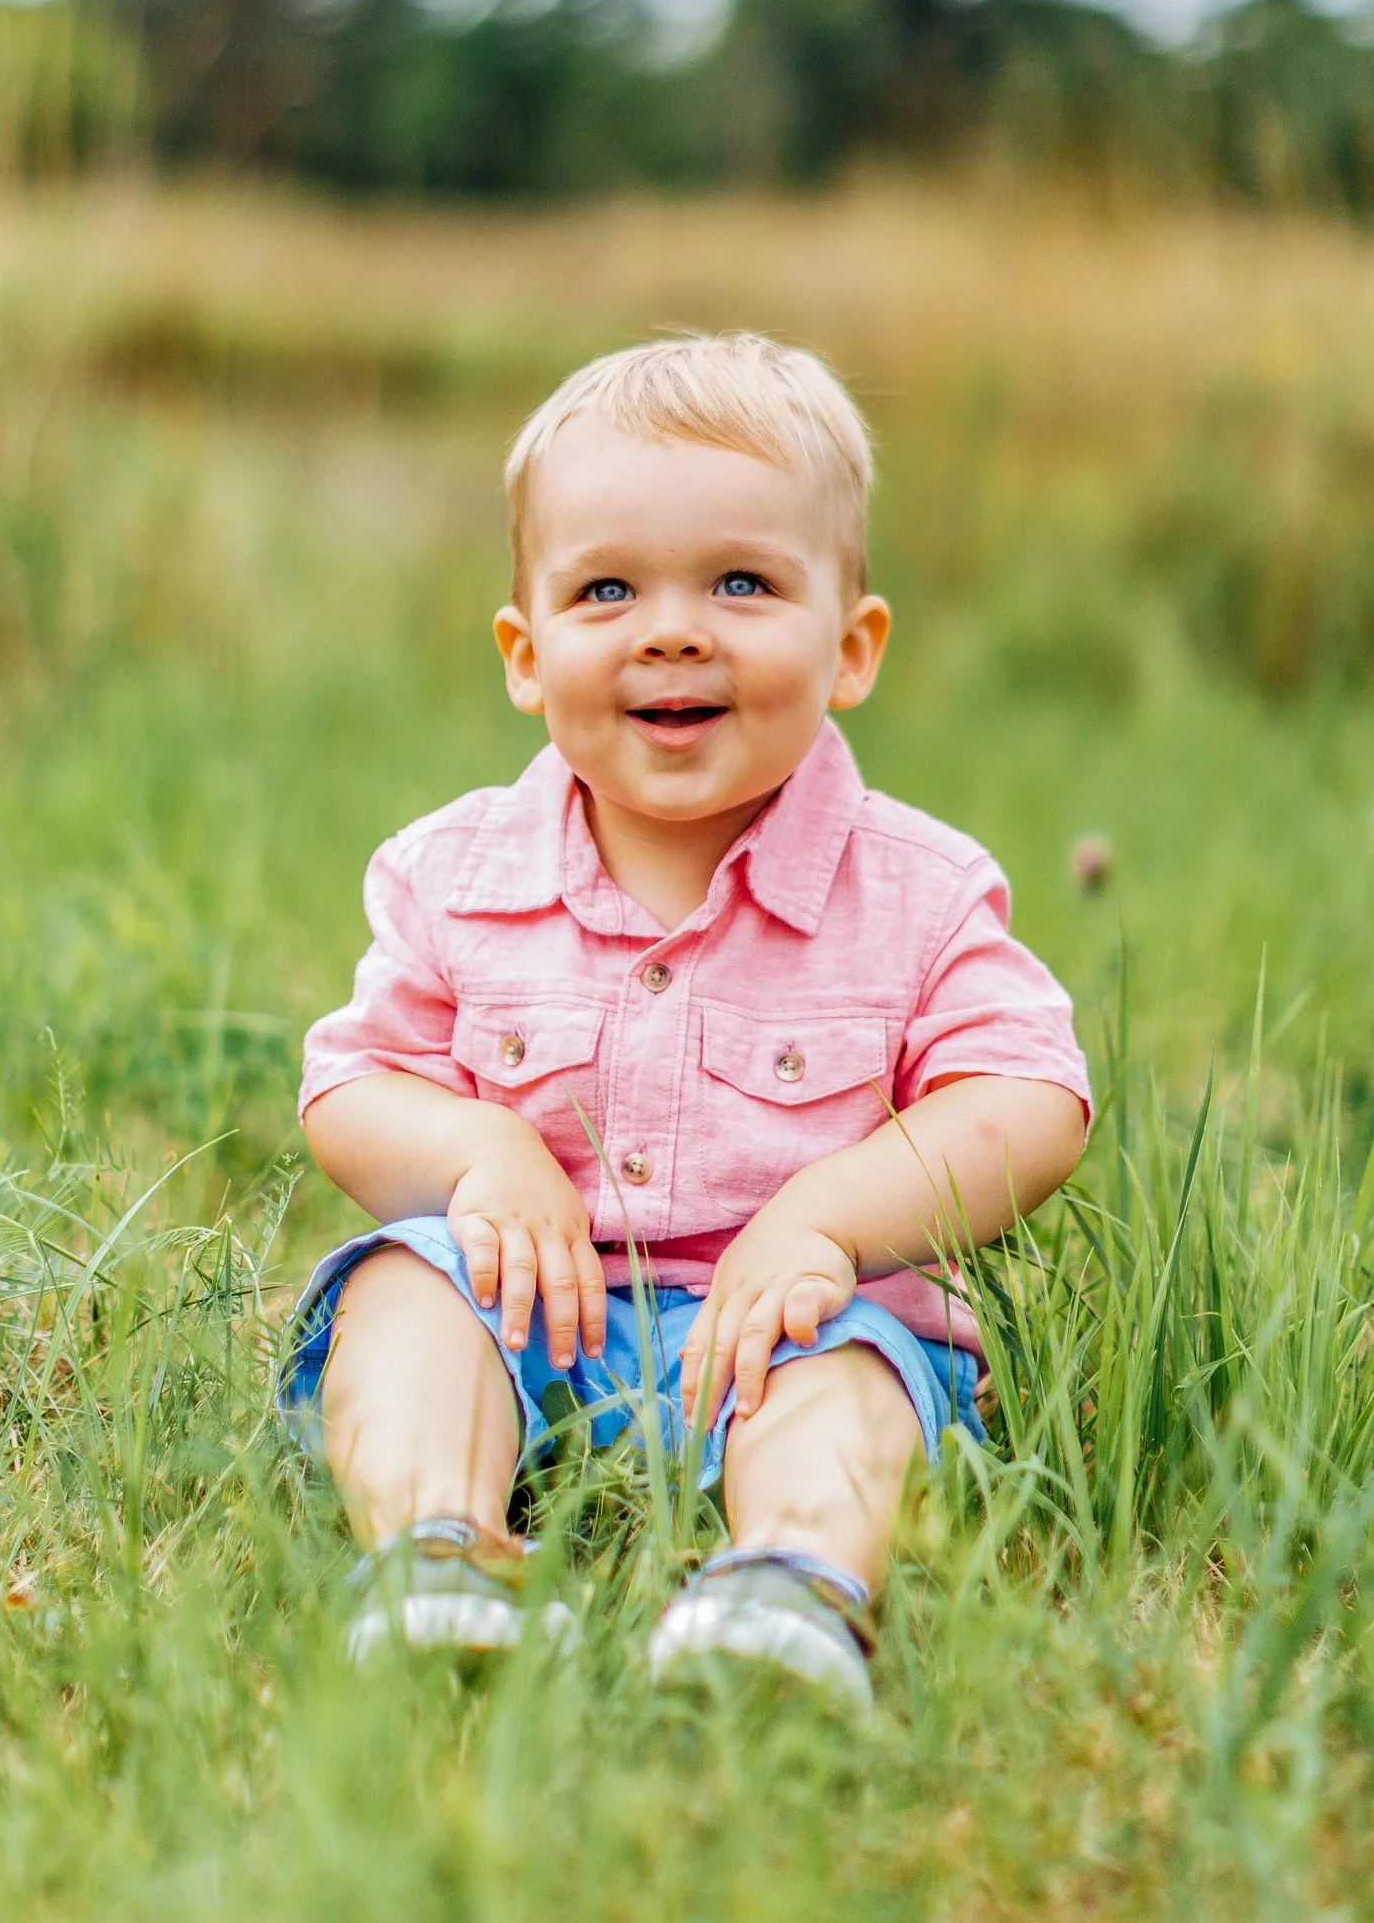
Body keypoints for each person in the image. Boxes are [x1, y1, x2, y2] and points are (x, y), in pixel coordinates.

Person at [281, 332, 1089, 1710]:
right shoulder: (454, 875)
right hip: (527, 1306)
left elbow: (1024, 1100)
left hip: (793, 1324)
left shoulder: (916, 890)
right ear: (527, 656)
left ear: (850, 646)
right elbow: (350, 1086)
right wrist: (480, 1152)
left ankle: (787, 1582)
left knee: (851, 1383)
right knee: (404, 1288)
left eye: (739, 582)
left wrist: (830, 1217)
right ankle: (435, 1548)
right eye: (606, 589)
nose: (671, 628)